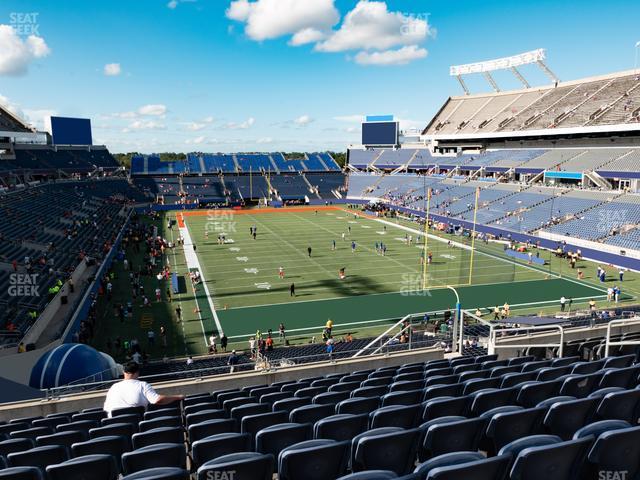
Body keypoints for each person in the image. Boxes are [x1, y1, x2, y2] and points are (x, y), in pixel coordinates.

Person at [103, 361, 185, 417]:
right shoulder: (142, 385)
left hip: (114, 428)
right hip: (137, 426)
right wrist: (178, 397)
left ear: (124, 372)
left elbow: (106, 409)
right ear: (137, 372)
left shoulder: (113, 387)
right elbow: (157, 400)